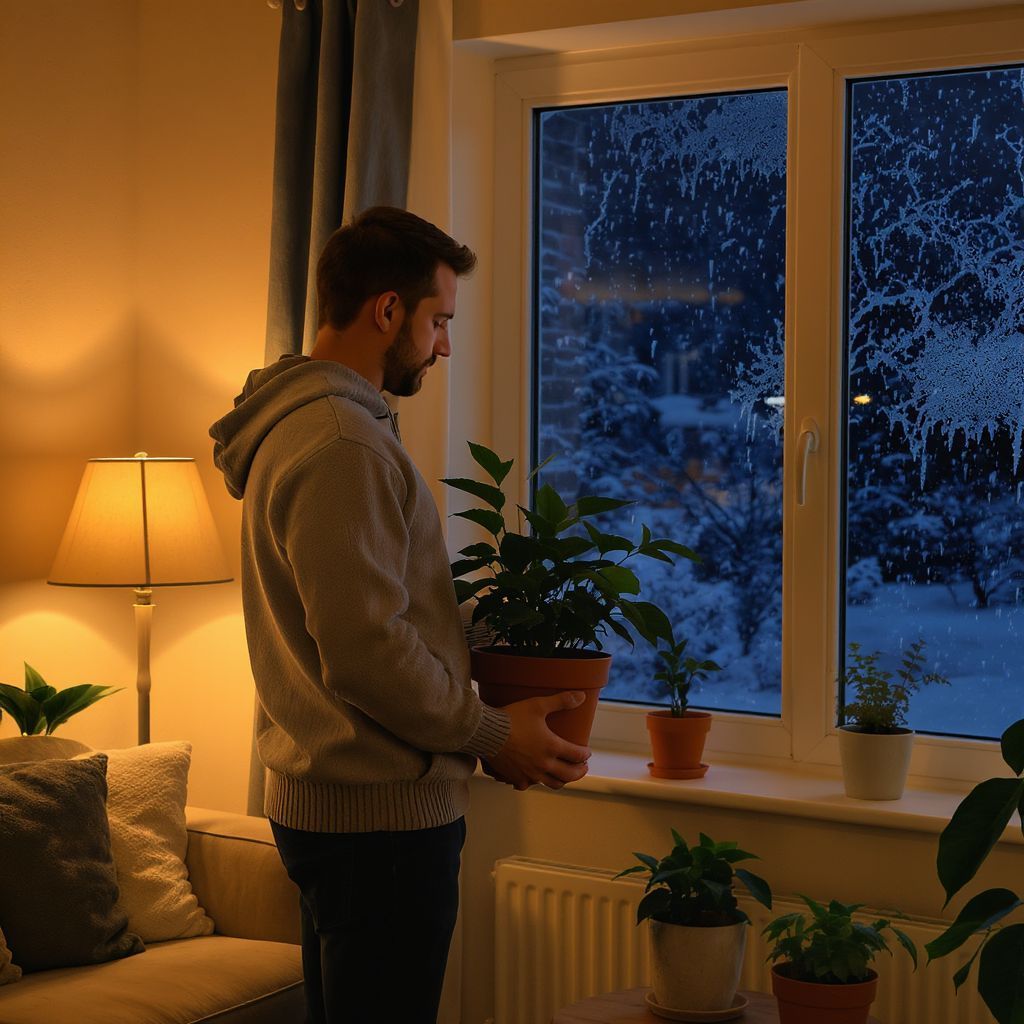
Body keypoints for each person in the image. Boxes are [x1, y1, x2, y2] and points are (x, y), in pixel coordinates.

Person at [209, 206, 591, 1024]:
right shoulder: (340, 442)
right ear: (388, 311)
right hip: (378, 828)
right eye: (439, 320)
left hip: (344, 817)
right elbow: (367, 650)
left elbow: (375, 607)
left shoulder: (306, 426)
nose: (445, 344)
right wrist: (493, 731)